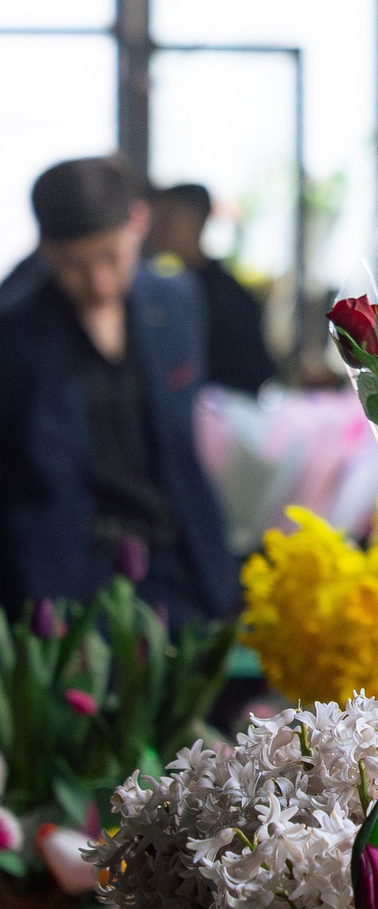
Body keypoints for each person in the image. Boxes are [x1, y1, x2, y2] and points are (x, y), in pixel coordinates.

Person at [0, 157, 237, 625]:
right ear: (46, 250)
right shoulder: (17, 334)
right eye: (73, 265)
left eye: (110, 256)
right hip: (68, 583)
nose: (97, 281)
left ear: (138, 222)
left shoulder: (175, 302)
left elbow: (182, 450)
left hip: (180, 569)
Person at [148, 183, 280, 394]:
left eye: (166, 220)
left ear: (195, 222)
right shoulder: (169, 285)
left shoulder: (224, 297)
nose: (155, 228)